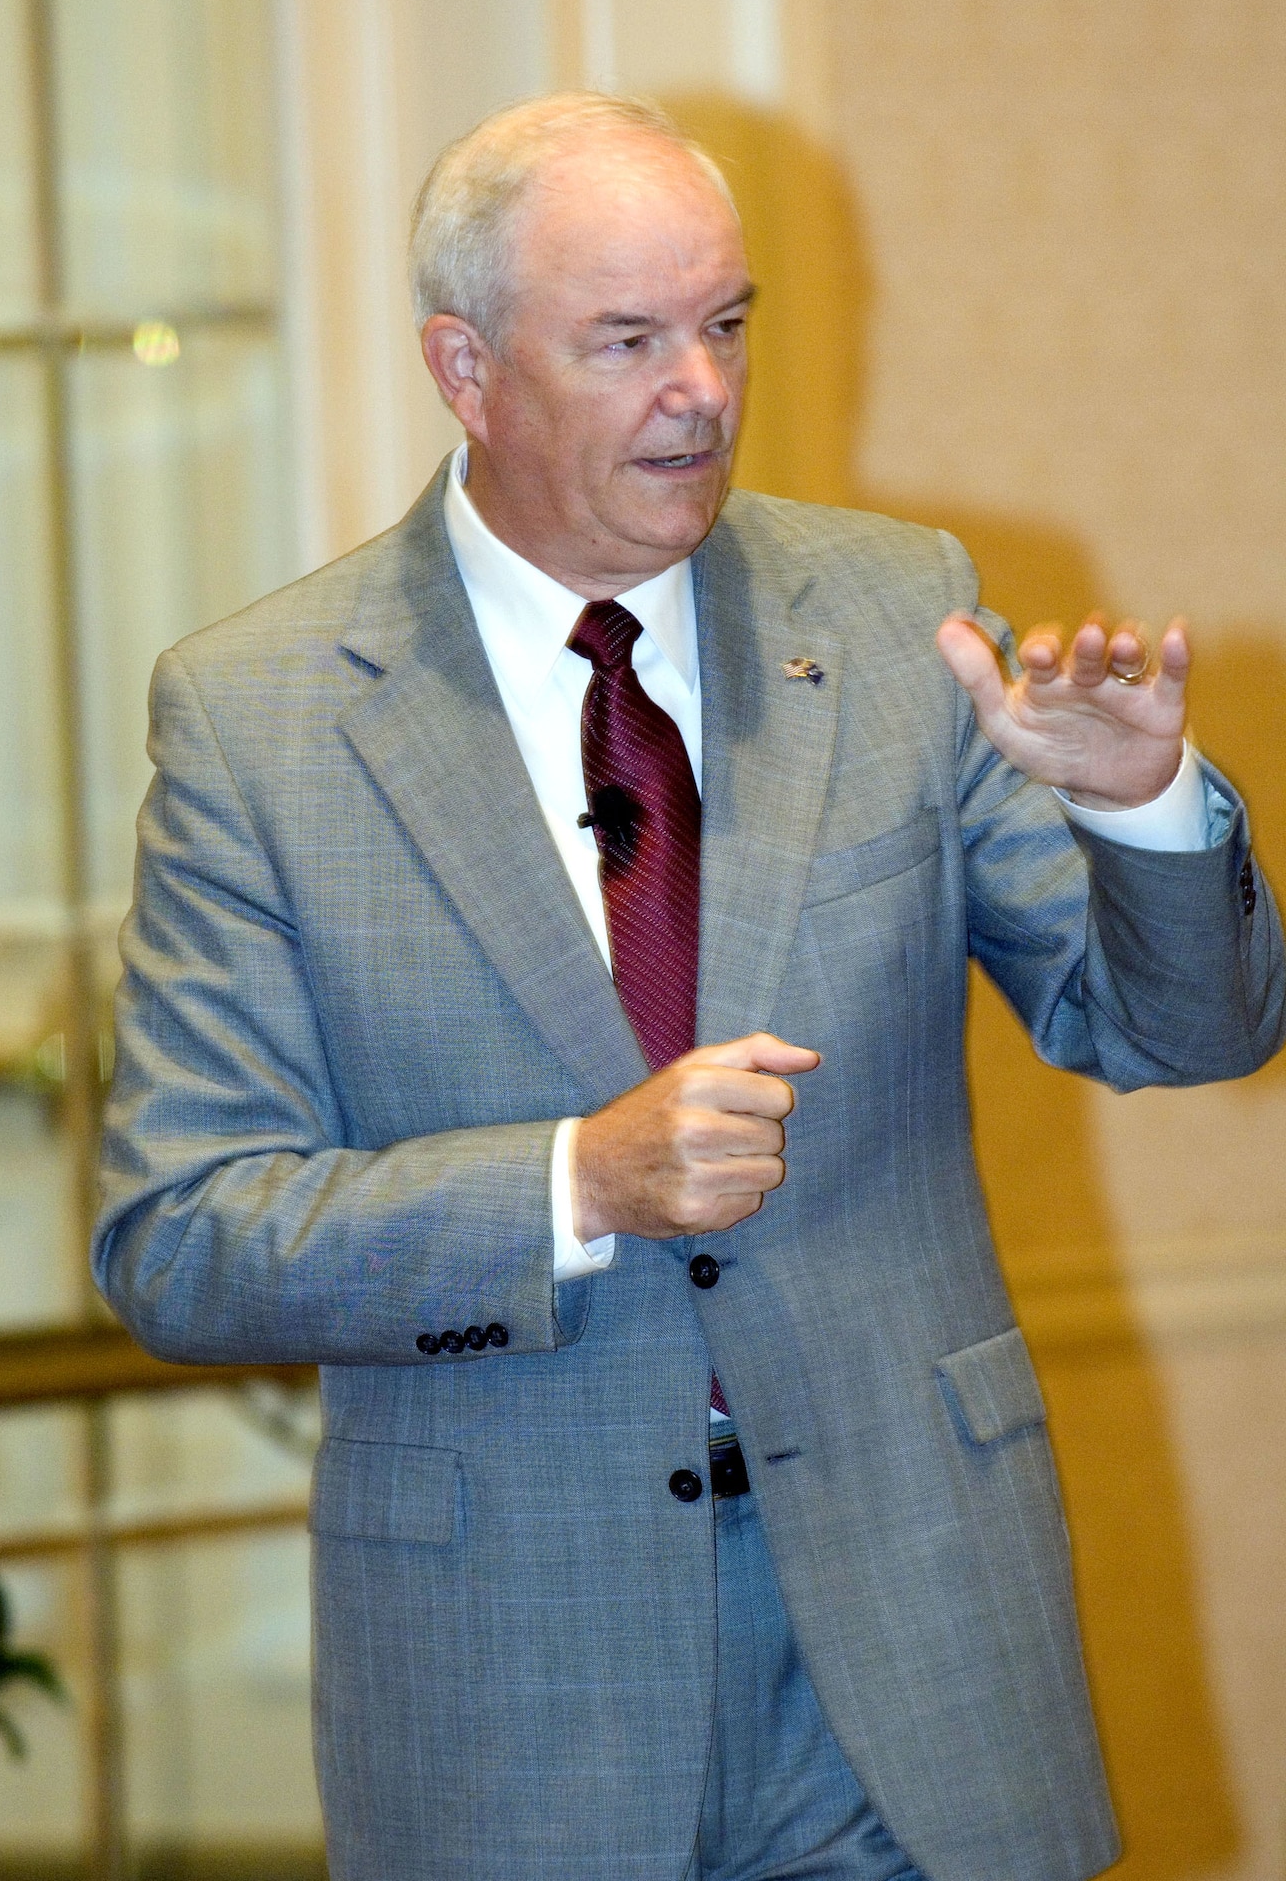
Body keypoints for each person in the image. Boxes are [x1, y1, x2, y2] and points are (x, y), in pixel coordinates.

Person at [93, 93, 1283, 1881]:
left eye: (725, 326)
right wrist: (578, 1183)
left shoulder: (898, 613)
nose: (703, 391)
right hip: (516, 1689)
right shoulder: (260, 718)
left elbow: (1179, 1028)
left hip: (907, 1651)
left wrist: (1136, 809)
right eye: (629, 340)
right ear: (465, 366)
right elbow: (182, 1236)